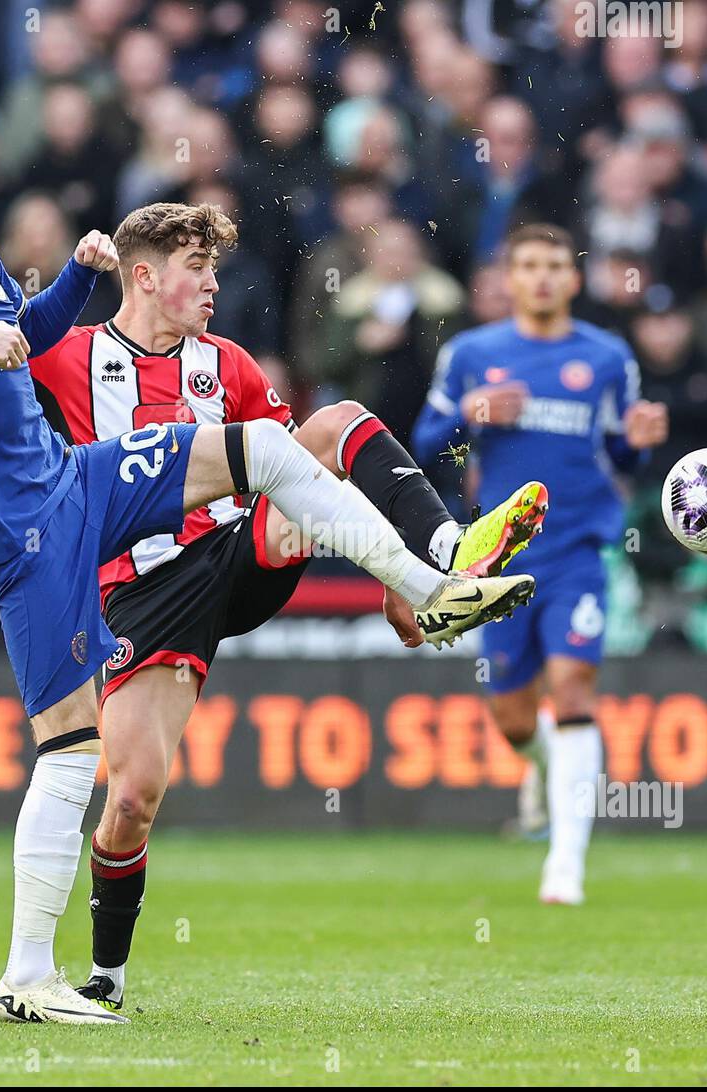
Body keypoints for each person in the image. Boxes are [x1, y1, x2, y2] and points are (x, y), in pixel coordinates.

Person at [0, 146, 537, 1026]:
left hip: (98, 491)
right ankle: (40, 972)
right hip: (41, 546)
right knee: (95, 770)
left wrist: (71, 276)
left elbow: (29, 328)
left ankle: (432, 572)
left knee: (269, 446)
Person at [28, 200, 550, 1015]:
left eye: (213, 268)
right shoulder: (69, 357)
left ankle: (446, 557)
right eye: (196, 269)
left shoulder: (227, 364)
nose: (211, 284)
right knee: (130, 799)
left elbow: (317, 484)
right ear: (143, 276)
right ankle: (107, 975)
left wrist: (394, 574)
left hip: (240, 555)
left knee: (334, 421)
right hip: (137, 594)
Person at [413, 224, 669, 905]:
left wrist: (640, 445)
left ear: (574, 278)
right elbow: (423, 440)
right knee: (515, 720)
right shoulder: (472, 354)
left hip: (580, 548)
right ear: (510, 278)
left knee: (574, 688)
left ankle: (565, 863)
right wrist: (470, 414)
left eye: (557, 264)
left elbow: (622, 457)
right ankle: (543, 770)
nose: (544, 277)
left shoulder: (608, 357)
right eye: (529, 265)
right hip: (500, 557)